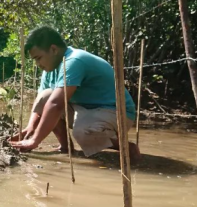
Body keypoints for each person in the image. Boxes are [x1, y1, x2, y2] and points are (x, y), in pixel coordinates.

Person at [10, 26, 140, 161]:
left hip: (117, 112)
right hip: (86, 109)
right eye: (34, 60)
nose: (37, 63)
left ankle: (125, 147)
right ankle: (65, 147)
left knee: (82, 132)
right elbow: (42, 101)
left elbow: (56, 104)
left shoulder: (74, 61)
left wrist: (35, 140)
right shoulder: (49, 70)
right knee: (46, 96)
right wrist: (30, 128)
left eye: (39, 58)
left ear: (54, 49)